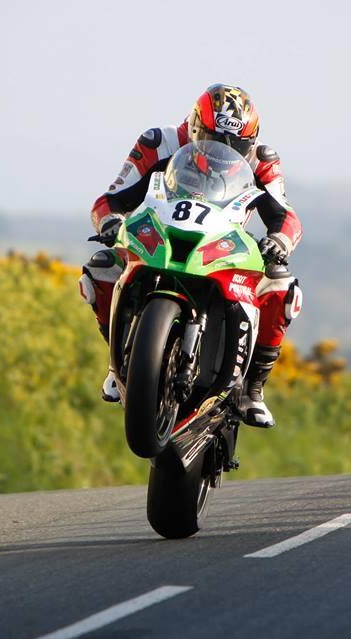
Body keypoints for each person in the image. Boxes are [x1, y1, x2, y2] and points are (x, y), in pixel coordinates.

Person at [79, 84, 303, 428]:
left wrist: (279, 242)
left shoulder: (262, 161)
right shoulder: (159, 142)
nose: (223, 151)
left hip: (224, 244)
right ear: (195, 126)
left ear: (251, 142)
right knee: (101, 271)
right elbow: (110, 198)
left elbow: (285, 215)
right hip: (162, 230)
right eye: (213, 138)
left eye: (236, 145)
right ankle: (117, 367)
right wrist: (110, 221)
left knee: (283, 287)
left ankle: (253, 389)